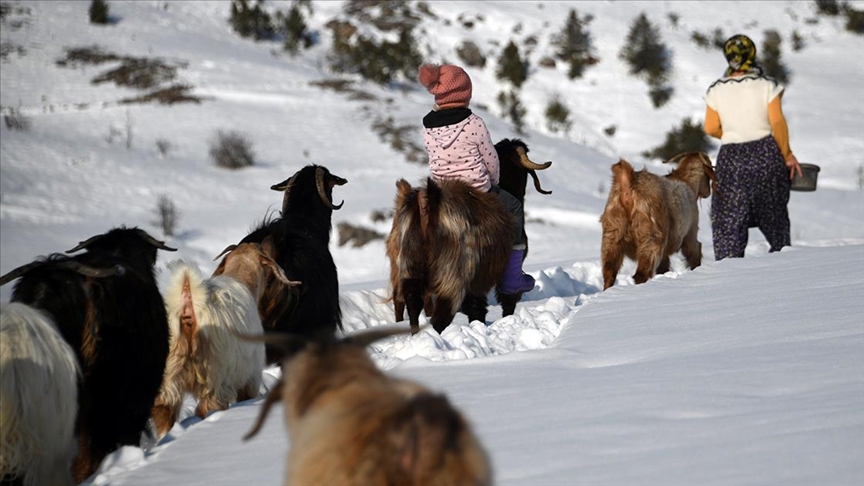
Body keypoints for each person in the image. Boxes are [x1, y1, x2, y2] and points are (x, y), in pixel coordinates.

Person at [417, 63, 535, 294]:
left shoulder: (427, 126)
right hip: (476, 192)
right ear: (464, 94)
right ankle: (512, 279)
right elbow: (490, 158)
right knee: (514, 207)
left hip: (443, 193)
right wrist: (493, 182)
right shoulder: (473, 123)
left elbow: (434, 158)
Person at [703, 34, 803, 261]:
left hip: (731, 158)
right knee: (774, 211)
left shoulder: (716, 90)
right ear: (752, 54)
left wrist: (729, 132)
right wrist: (787, 155)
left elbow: (710, 128)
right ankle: (781, 257)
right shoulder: (767, 85)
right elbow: (777, 122)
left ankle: (729, 266)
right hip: (766, 154)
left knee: (729, 215)